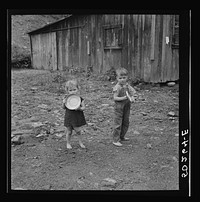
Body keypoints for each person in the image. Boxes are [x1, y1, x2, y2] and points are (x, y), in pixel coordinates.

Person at [112, 68, 136, 146]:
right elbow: (115, 98)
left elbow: (132, 92)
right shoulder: (117, 87)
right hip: (119, 107)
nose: (122, 80)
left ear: (127, 78)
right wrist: (124, 98)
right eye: (120, 78)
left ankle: (122, 136)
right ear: (117, 78)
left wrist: (132, 97)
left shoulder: (127, 85)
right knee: (118, 123)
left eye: (124, 78)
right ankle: (115, 140)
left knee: (125, 121)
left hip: (126, 106)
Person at [62, 79, 86, 149]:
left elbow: (84, 107)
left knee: (78, 131)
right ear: (67, 91)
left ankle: (80, 142)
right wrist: (63, 102)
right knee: (69, 131)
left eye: (74, 89)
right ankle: (68, 143)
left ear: (78, 89)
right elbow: (63, 107)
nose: (73, 92)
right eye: (70, 90)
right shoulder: (67, 99)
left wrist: (79, 108)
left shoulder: (80, 99)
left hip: (77, 117)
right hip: (69, 117)